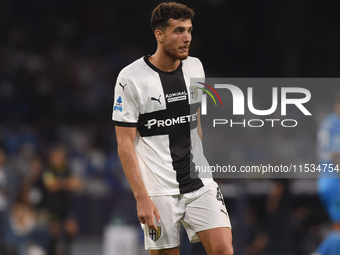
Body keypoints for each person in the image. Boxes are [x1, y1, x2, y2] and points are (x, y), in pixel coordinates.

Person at [112, 2, 233, 255]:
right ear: (160, 35)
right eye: (178, 31)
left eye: (189, 30)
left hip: (199, 183)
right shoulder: (130, 78)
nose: (187, 37)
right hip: (159, 190)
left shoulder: (195, 67)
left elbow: (194, 120)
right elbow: (124, 144)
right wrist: (141, 198)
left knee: (223, 249)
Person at [313, 91, 340, 255]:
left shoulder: (327, 122)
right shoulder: (337, 123)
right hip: (334, 182)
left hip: (325, 180)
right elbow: (336, 155)